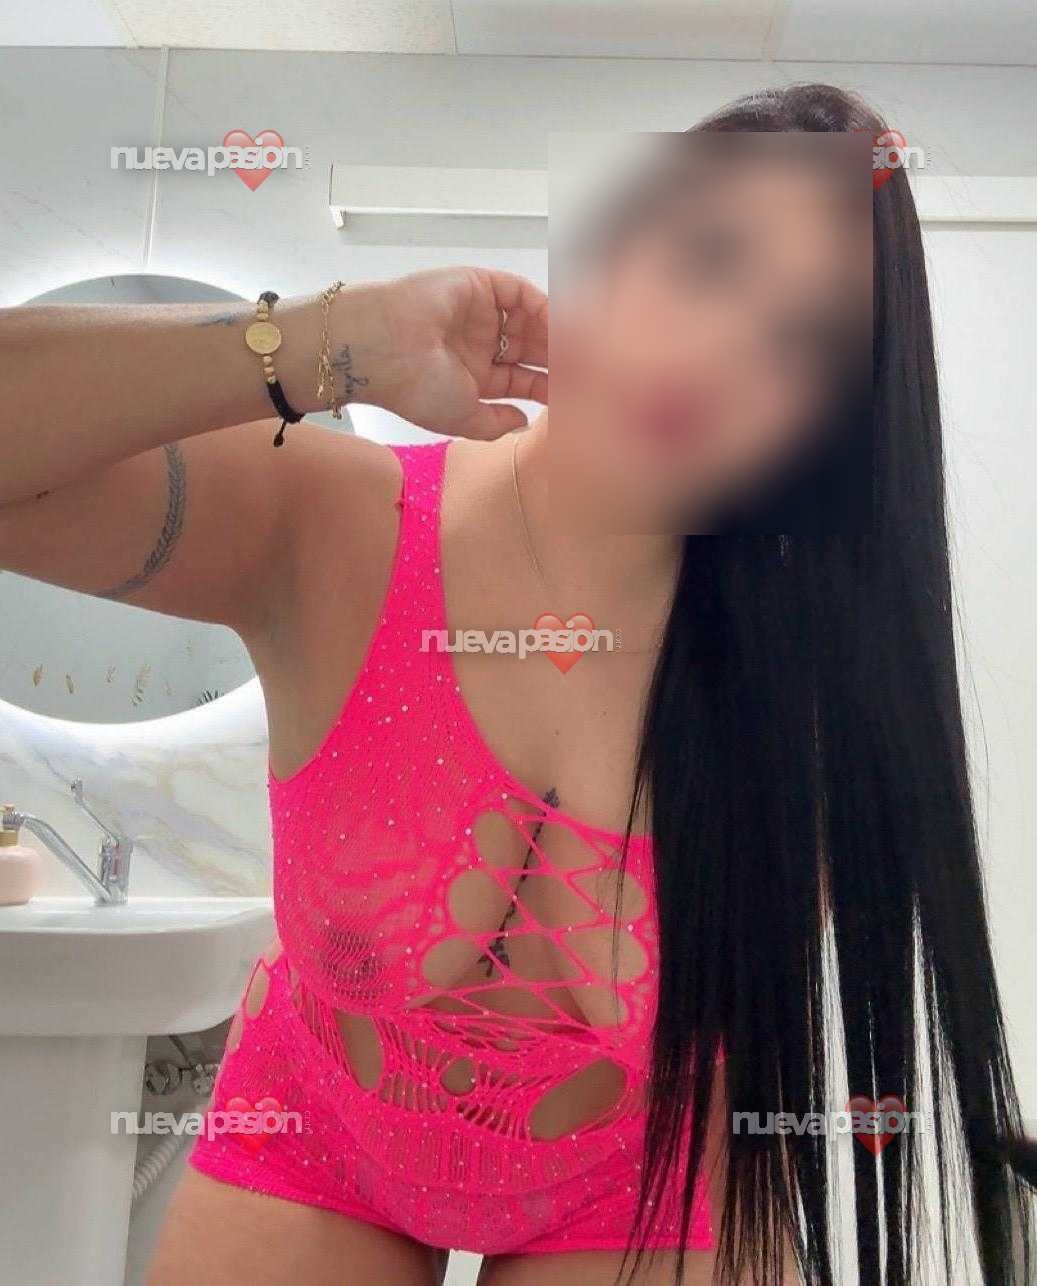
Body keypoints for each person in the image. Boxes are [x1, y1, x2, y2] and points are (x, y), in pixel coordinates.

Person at [0, 83, 1029, 1286]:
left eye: (799, 342)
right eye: (706, 258)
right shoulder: (335, 524)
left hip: (640, 1181)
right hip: (317, 1131)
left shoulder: (801, 680)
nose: (715, 353)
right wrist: (332, 340)